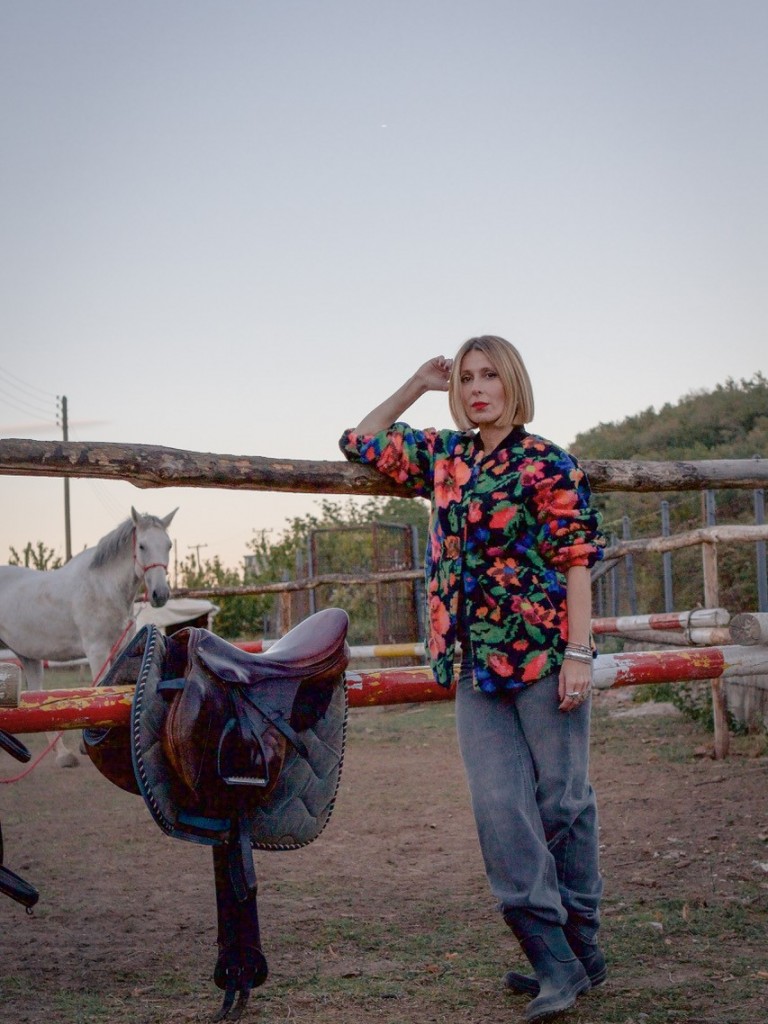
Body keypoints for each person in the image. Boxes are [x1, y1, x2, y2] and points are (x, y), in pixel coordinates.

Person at [339, 335, 606, 1023]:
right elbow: (358, 440)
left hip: (544, 656)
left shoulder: (550, 464)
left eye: (489, 375)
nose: (477, 387)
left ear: (513, 382)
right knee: (498, 810)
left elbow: (577, 560)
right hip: (470, 664)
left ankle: (582, 948)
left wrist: (579, 654)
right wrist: (415, 384)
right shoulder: (445, 457)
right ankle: (551, 958)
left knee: (564, 803)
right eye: (465, 377)